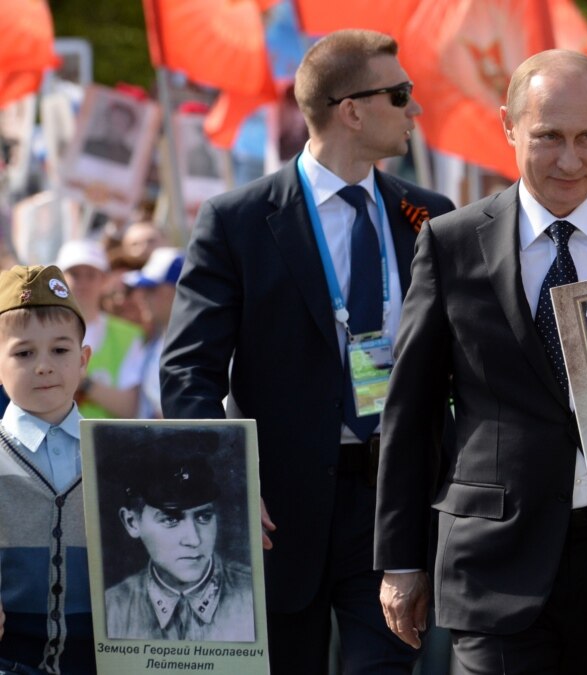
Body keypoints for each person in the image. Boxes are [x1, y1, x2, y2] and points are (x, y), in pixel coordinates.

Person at [374, 49, 587, 674]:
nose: (570, 159)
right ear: (507, 125)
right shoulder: (451, 242)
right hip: (493, 562)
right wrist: (401, 559)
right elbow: (412, 409)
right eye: (548, 136)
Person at [160, 29, 454, 675]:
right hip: (276, 513)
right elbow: (188, 369)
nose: (416, 109)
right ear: (351, 108)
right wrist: (225, 479)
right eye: (401, 94)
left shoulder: (430, 217)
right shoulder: (239, 219)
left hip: (395, 506)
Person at [0, 265, 94, 674]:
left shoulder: (120, 455)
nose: (43, 366)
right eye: (23, 353)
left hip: (101, 660)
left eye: (60, 350)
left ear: (83, 359)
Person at [105, 441, 254, 642]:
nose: (193, 540)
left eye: (204, 517)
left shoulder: (254, 595)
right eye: (171, 520)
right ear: (132, 522)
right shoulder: (111, 608)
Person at [56, 239, 144, 420]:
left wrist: (83, 382)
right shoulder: (43, 331)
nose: (83, 282)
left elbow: (129, 408)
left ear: (104, 280)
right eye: (75, 274)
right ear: (60, 280)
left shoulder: (128, 334)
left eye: (91, 274)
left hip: (107, 444)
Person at [124, 247, 183, 419]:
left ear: (178, 291)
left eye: (152, 289)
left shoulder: (206, 346)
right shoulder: (154, 341)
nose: (141, 296)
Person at [83, 100, 137, 165]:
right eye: (114, 121)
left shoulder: (130, 156)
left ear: (128, 127)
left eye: (122, 123)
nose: (115, 127)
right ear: (107, 121)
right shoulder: (89, 145)